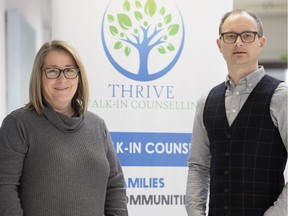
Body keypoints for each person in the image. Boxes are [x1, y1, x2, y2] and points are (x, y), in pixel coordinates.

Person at [0, 40, 128, 216]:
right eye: (52, 71)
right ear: (39, 76)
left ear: (79, 76)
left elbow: (115, 186)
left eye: (69, 70)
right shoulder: (18, 123)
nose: (62, 79)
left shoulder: (97, 125)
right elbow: (5, 187)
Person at [185, 9, 287, 216]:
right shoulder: (206, 101)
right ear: (219, 44)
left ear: (261, 42)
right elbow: (198, 166)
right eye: (230, 36)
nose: (238, 42)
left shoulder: (281, 96)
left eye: (247, 35)